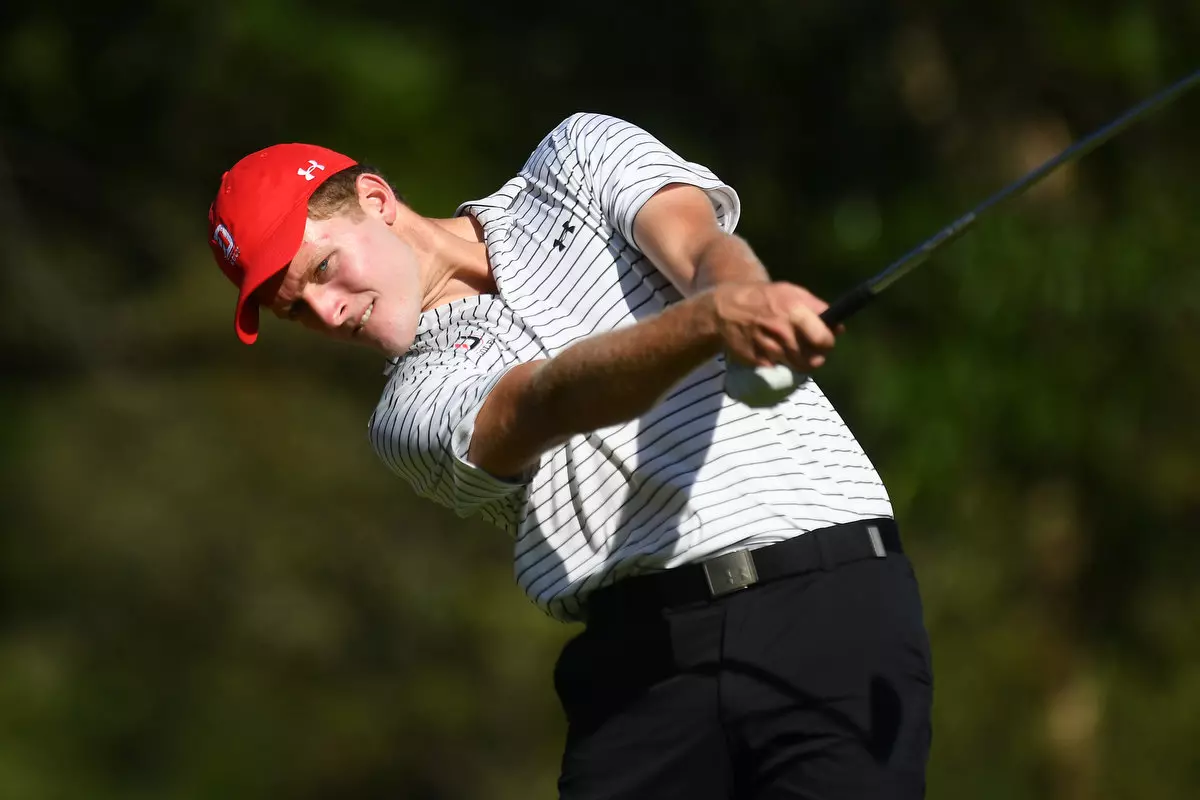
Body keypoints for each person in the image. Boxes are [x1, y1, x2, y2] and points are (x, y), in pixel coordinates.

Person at [207, 113, 933, 799]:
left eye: (324, 268)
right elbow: (547, 402)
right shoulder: (406, 412)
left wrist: (744, 298)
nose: (328, 313)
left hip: (826, 598)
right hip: (641, 675)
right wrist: (710, 323)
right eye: (295, 309)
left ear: (376, 199)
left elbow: (698, 248)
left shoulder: (576, 158)